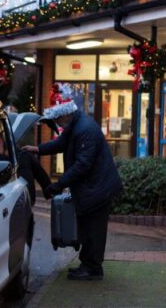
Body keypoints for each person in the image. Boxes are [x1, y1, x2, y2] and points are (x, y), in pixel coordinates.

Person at [23, 85, 123, 281]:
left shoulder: (85, 129)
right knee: (87, 227)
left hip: (98, 189)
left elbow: (82, 165)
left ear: (65, 116)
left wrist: (58, 185)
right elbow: (61, 144)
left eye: (58, 120)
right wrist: (37, 149)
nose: (58, 125)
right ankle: (87, 264)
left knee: (94, 230)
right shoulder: (74, 125)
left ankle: (93, 268)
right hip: (92, 187)